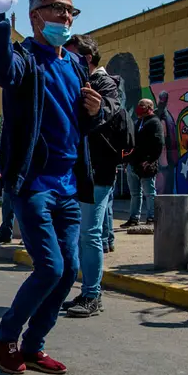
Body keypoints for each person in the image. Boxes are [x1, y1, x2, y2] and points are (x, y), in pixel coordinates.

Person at [0, 0, 104, 375]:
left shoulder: (74, 64)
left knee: (68, 270)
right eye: (57, 9)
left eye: (71, 11)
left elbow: (78, 124)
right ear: (35, 17)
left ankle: (34, 345)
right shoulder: (24, 58)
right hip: (33, 183)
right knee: (49, 267)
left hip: (68, 184)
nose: (66, 17)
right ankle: (6, 335)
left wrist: (94, 110)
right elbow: (1, 68)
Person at [63, 33, 128, 318]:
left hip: (98, 172)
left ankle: (92, 295)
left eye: (71, 56)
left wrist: (97, 107)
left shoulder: (105, 84)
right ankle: (88, 290)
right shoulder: (84, 83)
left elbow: (110, 108)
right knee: (82, 235)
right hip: (84, 171)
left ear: (86, 59)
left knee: (89, 235)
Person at [122, 99, 163, 227]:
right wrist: (126, 161)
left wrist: (150, 160)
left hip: (146, 165)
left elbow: (159, 143)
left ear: (150, 107)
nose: (139, 108)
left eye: (142, 105)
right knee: (135, 193)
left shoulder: (154, 122)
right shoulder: (137, 122)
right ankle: (134, 218)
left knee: (149, 193)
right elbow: (131, 143)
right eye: (138, 104)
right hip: (133, 164)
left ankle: (152, 218)